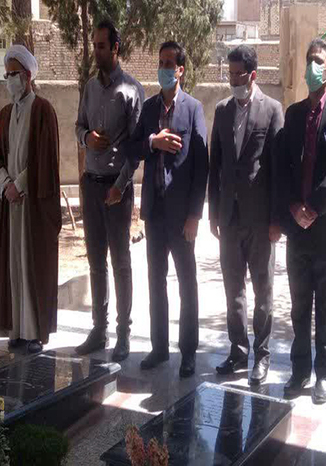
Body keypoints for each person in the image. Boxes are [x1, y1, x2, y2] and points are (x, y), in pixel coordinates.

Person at [277, 38, 326, 404]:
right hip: (298, 227)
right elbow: (283, 167)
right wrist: (295, 207)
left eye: (318, 61)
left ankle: (325, 373)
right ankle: (299, 371)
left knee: (325, 304)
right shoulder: (293, 115)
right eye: (309, 59)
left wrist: (314, 208)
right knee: (298, 305)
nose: (311, 66)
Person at [130, 41, 208, 377]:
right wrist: (153, 141)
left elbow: (202, 165)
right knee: (155, 281)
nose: (163, 68)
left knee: (187, 283)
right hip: (155, 212)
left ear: (180, 70)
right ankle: (159, 348)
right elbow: (133, 147)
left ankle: (188, 352)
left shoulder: (193, 109)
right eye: (160, 62)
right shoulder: (149, 109)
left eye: (169, 63)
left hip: (181, 217)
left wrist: (195, 215)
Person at [208, 45, 284, 385]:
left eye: (239, 74)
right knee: (233, 289)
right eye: (230, 74)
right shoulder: (222, 111)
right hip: (229, 217)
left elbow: (278, 169)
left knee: (262, 291)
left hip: (260, 219)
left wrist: (277, 219)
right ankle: (238, 352)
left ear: (253, 75)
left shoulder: (272, 110)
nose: (233, 80)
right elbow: (215, 165)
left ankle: (262, 355)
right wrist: (213, 212)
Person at [74, 20, 144, 362]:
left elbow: (136, 149)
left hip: (117, 189)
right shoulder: (89, 88)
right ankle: (98, 330)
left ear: (115, 48)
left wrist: (120, 187)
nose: (96, 51)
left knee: (120, 263)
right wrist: (87, 138)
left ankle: (123, 334)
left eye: (102, 46)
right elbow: (78, 126)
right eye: (94, 45)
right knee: (95, 262)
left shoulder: (131, 90)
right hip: (91, 185)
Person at [0, 45, 61, 354]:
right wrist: (5, 186)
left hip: (32, 205)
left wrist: (20, 185)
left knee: (31, 267)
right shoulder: (4, 114)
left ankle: (33, 334)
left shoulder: (43, 110)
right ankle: (16, 329)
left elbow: (45, 159)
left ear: (27, 76)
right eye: (6, 75)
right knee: (11, 267)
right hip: (10, 203)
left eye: (13, 74)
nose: (9, 80)